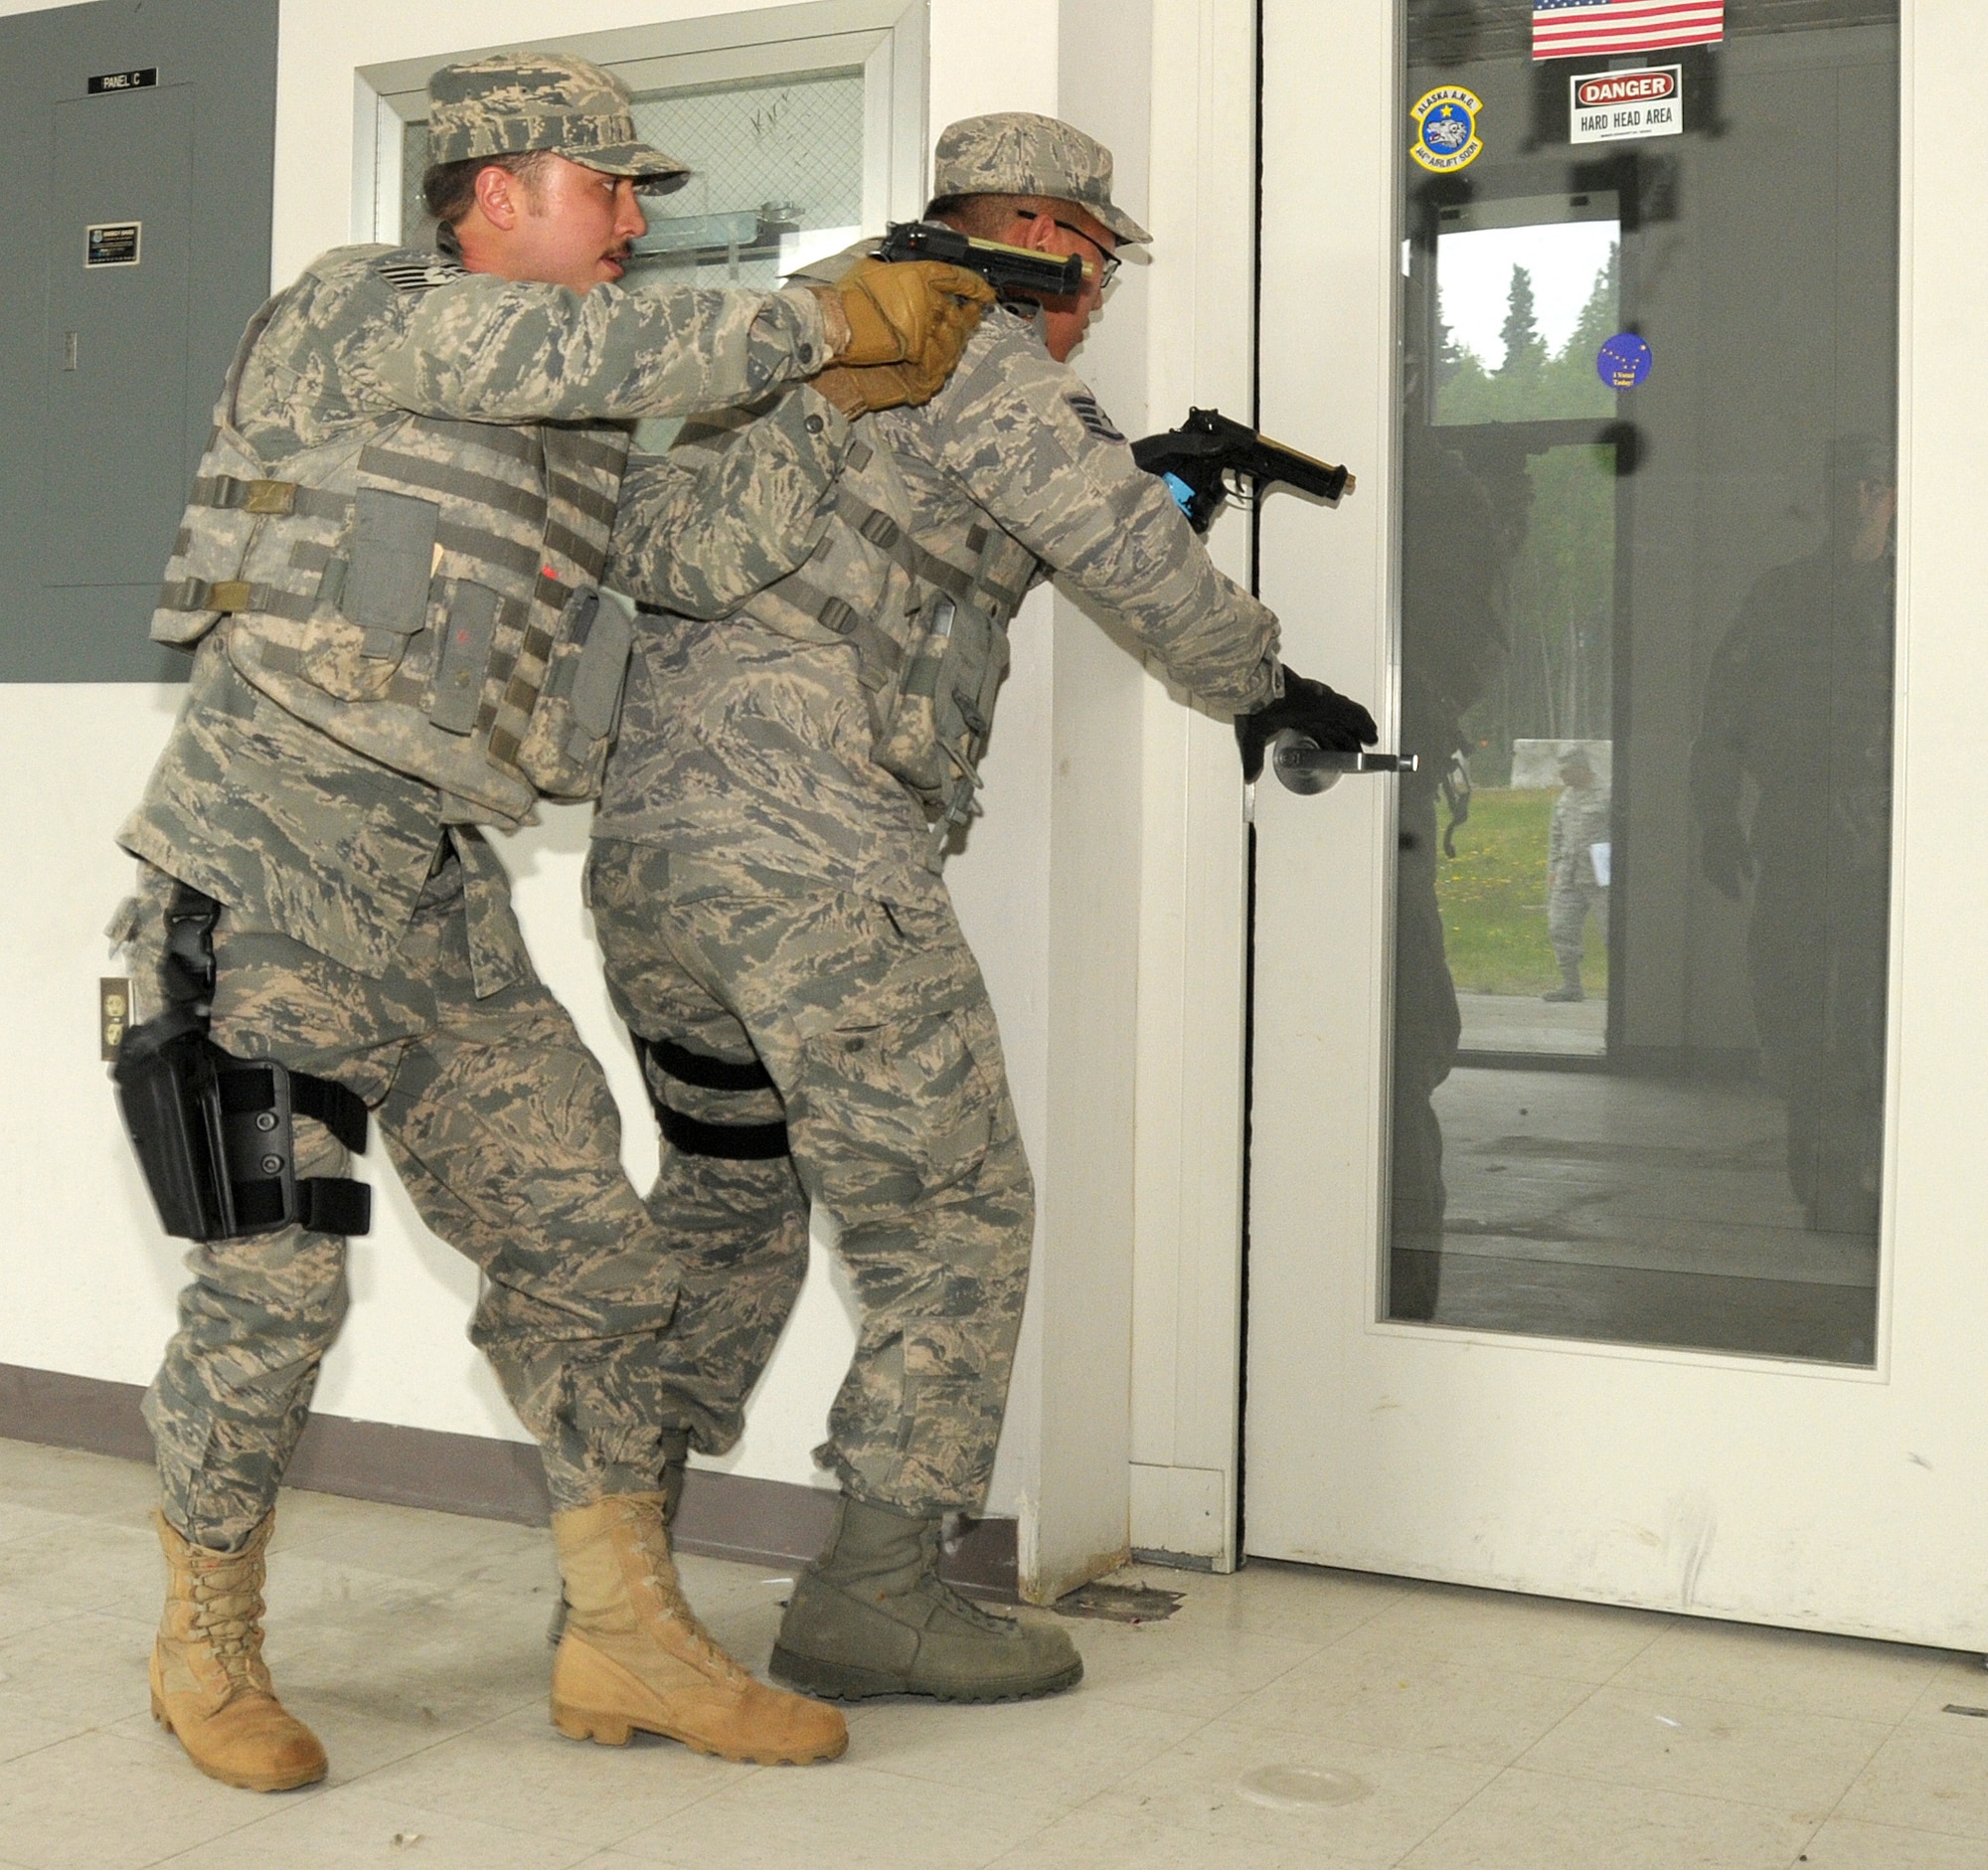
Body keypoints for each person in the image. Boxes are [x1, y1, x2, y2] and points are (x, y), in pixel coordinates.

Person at [109, 51, 991, 1790]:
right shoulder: (360, 314)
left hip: (440, 904)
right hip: (266, 881)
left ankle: (624, 1641)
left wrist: (852, 400)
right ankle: (202, 1643)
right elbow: (584, 351)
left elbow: (700, 545)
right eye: (614, 190)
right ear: (500, 191)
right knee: (273, 1286)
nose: (639, 223)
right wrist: (815, 318)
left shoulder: (575, 424)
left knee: (596, 1261)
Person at [583, 111, 1377, 1705]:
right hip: (810, 861)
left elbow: (907, 520)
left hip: (654, 860)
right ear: (1051, 238)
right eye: (1093, 271)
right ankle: (878, 1596)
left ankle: (613, 1588)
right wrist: (1271, 687)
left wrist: (1131, 473)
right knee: (953, 1216)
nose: (1092, 308)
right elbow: (1124, 569)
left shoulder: (810, 320)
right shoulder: (981, 337)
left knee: (728, 1204)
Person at [1691, 437, 1896, 1233]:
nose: (1860, 500)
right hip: (1800, 837)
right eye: (1848, 484)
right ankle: (1827, 1179)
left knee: (1879, 1019)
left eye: (1876, 487)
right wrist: (1715, 817)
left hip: (1892, 850)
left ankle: (1865, 1179)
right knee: (1796, 1017)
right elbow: (1724, 719)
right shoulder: (1779, 597)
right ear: (1826, 492)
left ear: (1896, 499)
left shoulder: (1927, 599)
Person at [1543, 745, 1610, 1004]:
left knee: (1611, 933)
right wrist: (1553, 871)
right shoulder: (1565, 798)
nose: (1562, 777)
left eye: (1567, 771)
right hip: (1568, 875)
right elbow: (1556, 837)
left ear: (1582, 769)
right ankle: (1571, 986)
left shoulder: (1608, 794)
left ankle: (1622, 990)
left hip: (1601, 875)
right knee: (1560, 927)